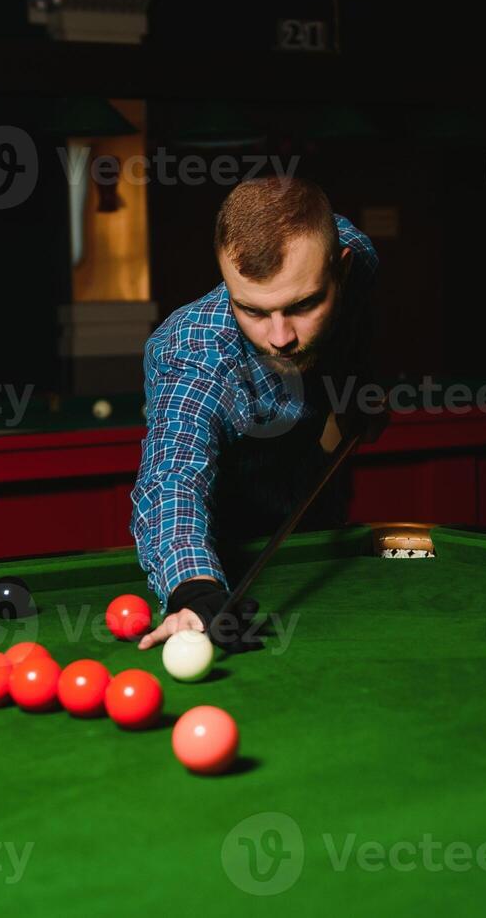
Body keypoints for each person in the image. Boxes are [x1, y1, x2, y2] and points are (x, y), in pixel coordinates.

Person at [130, 176, 380, 649]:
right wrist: (195, 588)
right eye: (253, 311)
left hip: (315, 500)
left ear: (340, 270)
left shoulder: (359, 259)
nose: (280, 336)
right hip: (226, 536)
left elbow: (359, 325)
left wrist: (358, 390)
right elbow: (172, 473)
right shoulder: (196, 353)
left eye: (303, 304)